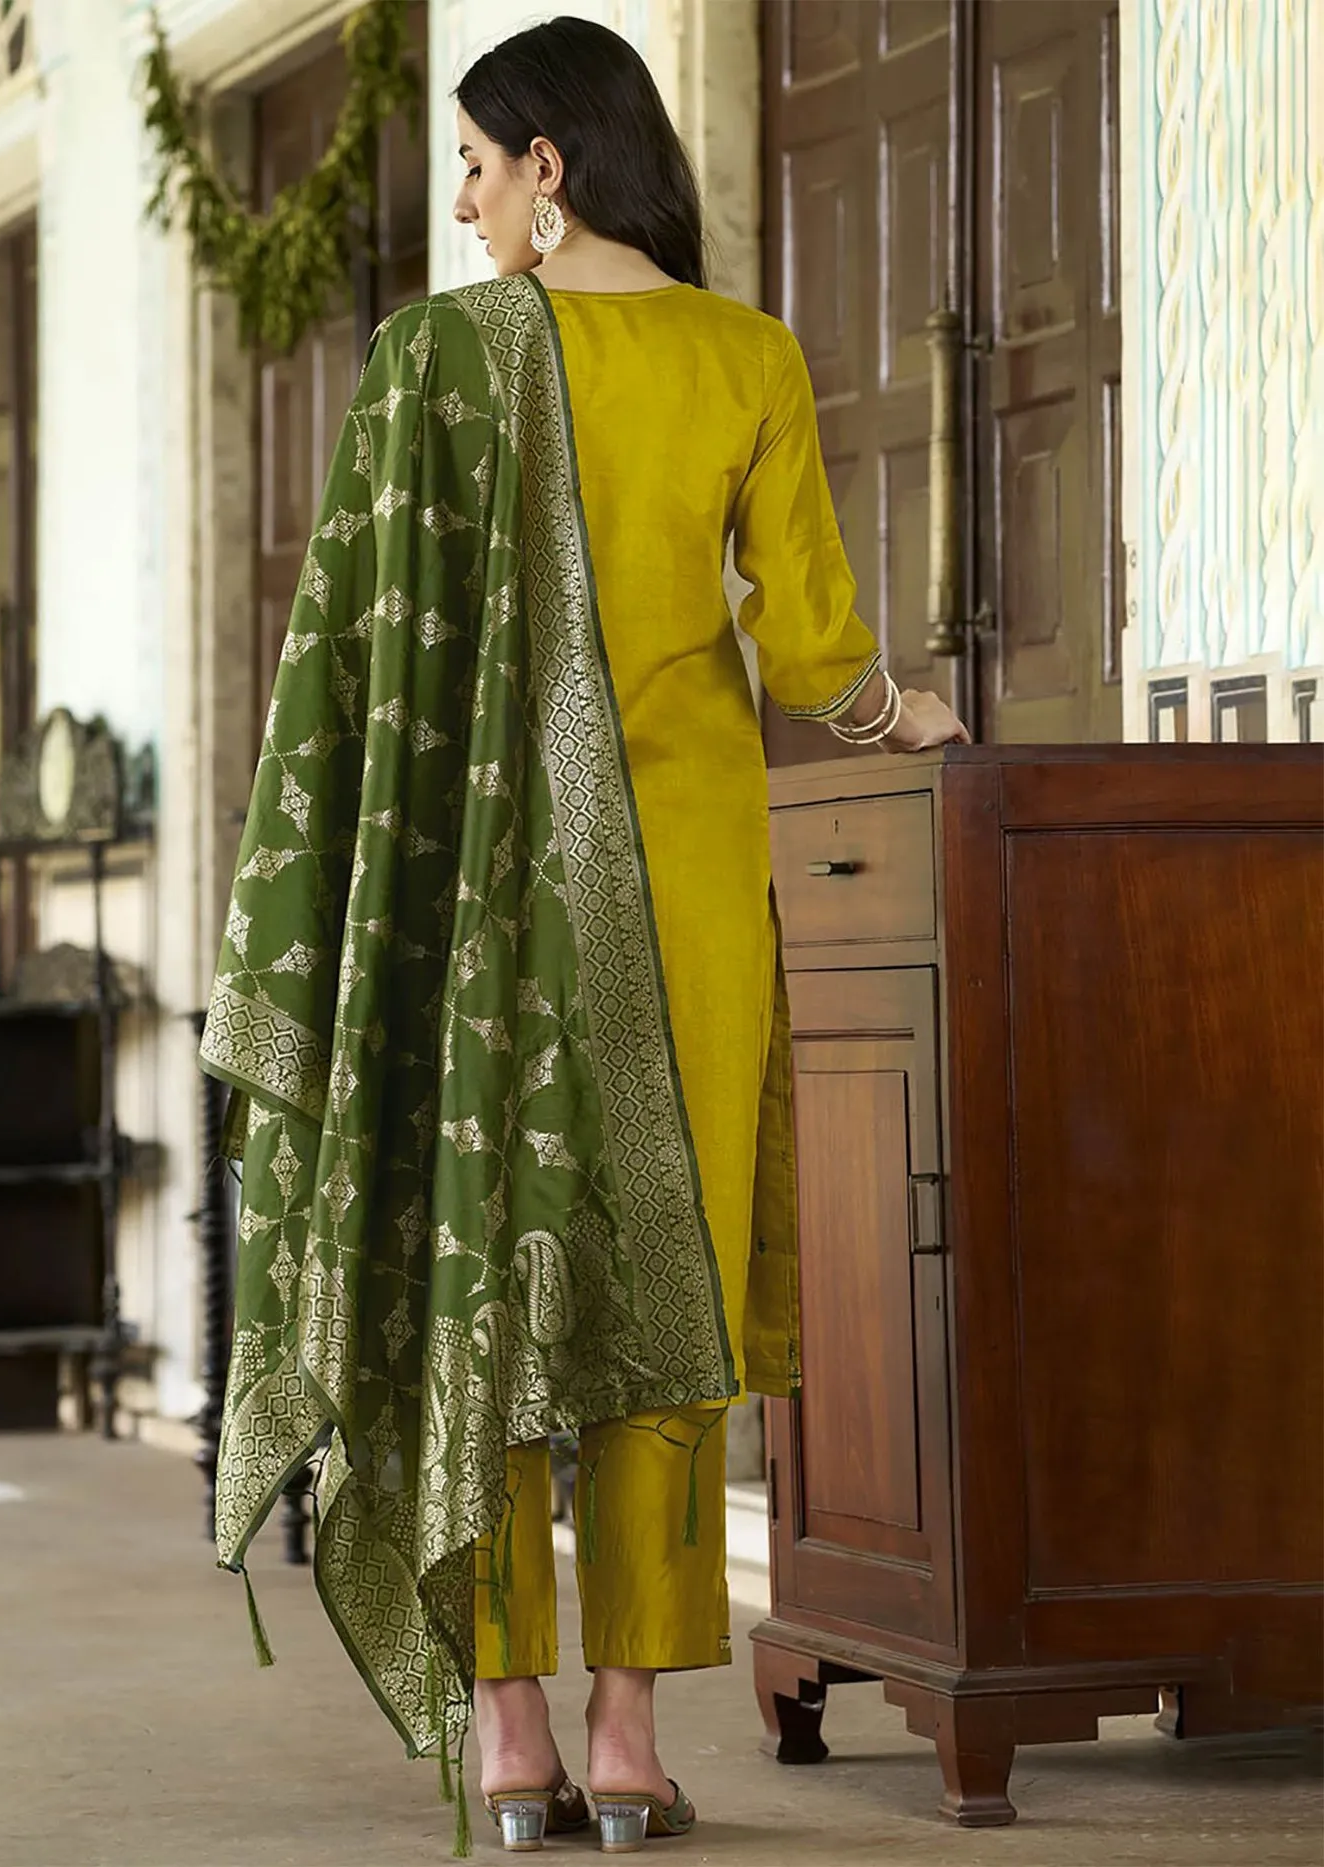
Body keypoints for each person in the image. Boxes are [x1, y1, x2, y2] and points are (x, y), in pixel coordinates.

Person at [199, 15, 968, 1859]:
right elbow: (808, 649)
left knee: (478, 1271)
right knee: (660, 1297)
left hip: (470, 893)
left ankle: (512, 1731)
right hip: (682, 893)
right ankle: (630, 1742)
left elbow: (350, 663)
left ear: (550, 162)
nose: (464, 204)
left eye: (476, 165)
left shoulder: (429, 365)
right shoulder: (747, 356)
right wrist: (904, 718)